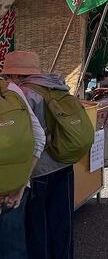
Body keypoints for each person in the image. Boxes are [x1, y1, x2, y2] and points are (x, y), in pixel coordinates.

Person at [2, 51, 75, 258]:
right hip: (64, 162)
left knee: (38, 227)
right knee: (62, 223)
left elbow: (30, 138)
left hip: (39, 170)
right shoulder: (57, 86)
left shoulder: (22, 94)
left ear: (15, 75)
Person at [0, 75, 45, 259]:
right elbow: (40, 138)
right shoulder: (11, 90)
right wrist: (20, 184)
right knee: (13, 250)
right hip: (13, 192)